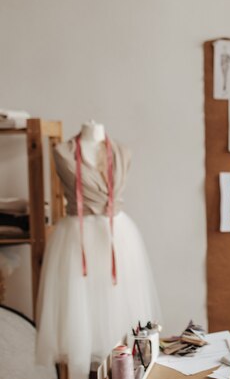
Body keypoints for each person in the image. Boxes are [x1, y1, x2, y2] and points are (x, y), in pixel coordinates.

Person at [36, 121, 160, 379]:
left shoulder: (122, 151)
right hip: (77, 238)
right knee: (80, 308)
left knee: (118, 310)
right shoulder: (62, 151)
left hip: (118, 237)